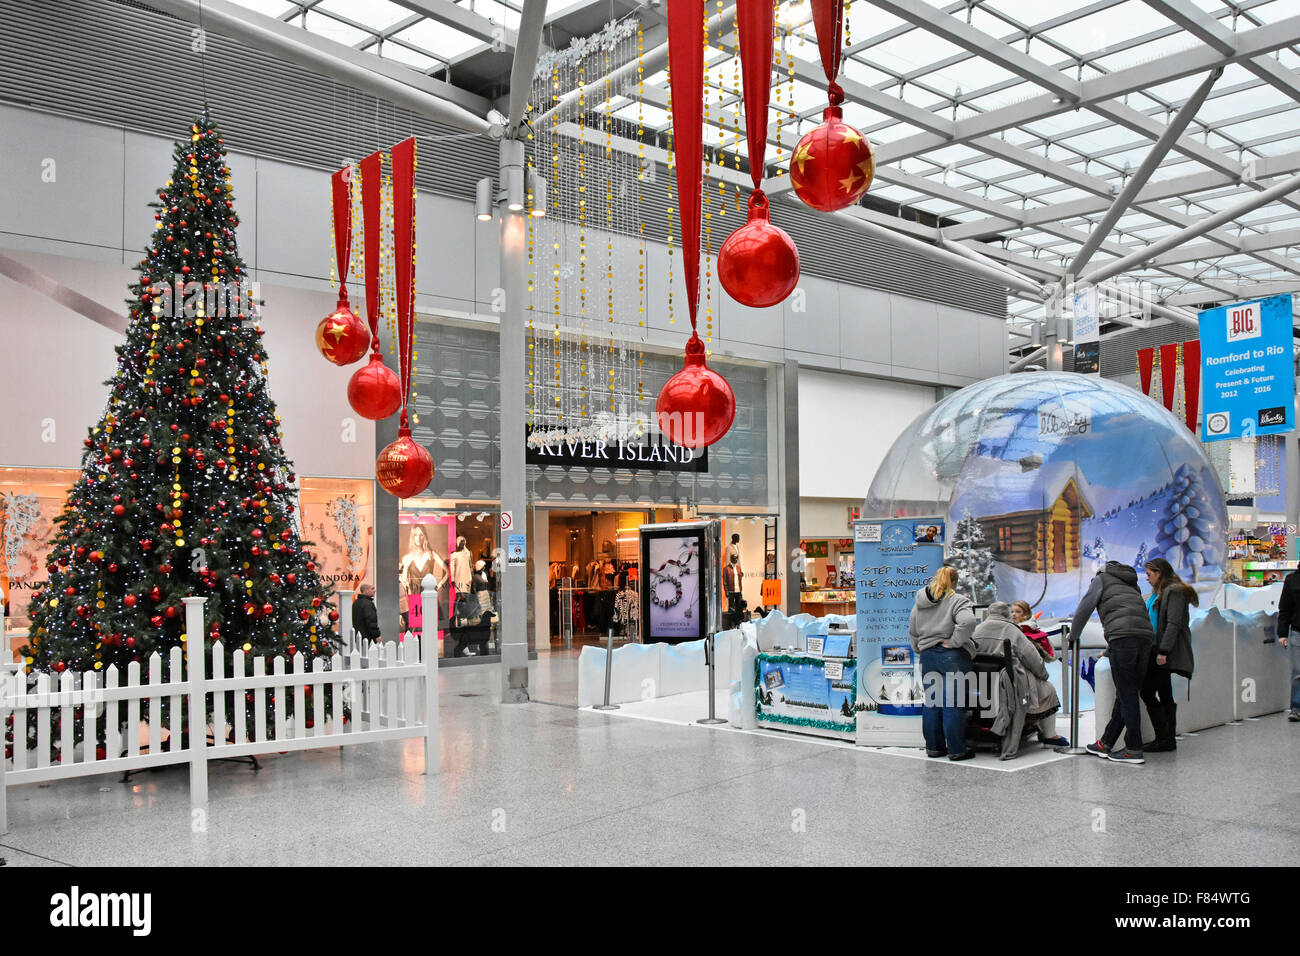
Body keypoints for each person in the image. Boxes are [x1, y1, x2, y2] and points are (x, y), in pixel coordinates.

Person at [1072, 560, 1155, 765]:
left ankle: (1133, 748)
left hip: (1123, 638)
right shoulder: (1131, 584)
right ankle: (1106, 742)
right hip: (1145, 639)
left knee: (1127, 695)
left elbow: (1086, 606)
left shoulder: (1101, 579)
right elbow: (1132, 614)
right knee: (1127, 693)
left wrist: (1074, 635)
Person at [973, 603, 1067, 748]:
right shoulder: (1013, 631)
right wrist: (1043, 676)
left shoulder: (976, 631)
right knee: (1048, 689)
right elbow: (1033, 660)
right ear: (1007, 614)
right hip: (1011, 688)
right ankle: (1049, 736)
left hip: (979, 687)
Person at [909, 565, 978, 761]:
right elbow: (968, 622)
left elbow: (913, 631)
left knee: (931, 703)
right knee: (952, 704)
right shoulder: (957, 601)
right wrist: (955, 641)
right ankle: (957, 750)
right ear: (954, 583)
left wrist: (920, 648)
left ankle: (934, 748)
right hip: (952, 657)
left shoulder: (919, 604)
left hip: (928, 656)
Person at [1140, 558, 1197, 751]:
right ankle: (1167, 739)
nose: (1147, 578)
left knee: (1147, 692)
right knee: (1164, 694)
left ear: (1159, 573)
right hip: (1156, 650)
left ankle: (1164, 738)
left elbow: (1173, 624)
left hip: (1162, 653)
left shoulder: (1174, 592)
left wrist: (1163, 651)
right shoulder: (1159, 592)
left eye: (1149, 574)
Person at [1273, 562, 1300, 722]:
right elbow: (1284, 608)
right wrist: (1282, 634)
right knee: (1297, 672)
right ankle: (1296, 708)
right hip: (1297, 632)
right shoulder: (1292, 580)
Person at [723, 554, 743, 627]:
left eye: (736, 558)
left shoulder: (738, 568)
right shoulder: (726, 569)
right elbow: (724, 581)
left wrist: (741, 590)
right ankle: (731, 624)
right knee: (731, 608)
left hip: (738, 591)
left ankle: (738, 624)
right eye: (734, 558)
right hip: (731, 591)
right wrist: (726, 591)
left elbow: (740, 578)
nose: (735, 560)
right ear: (731, 559)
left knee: (739, 608)